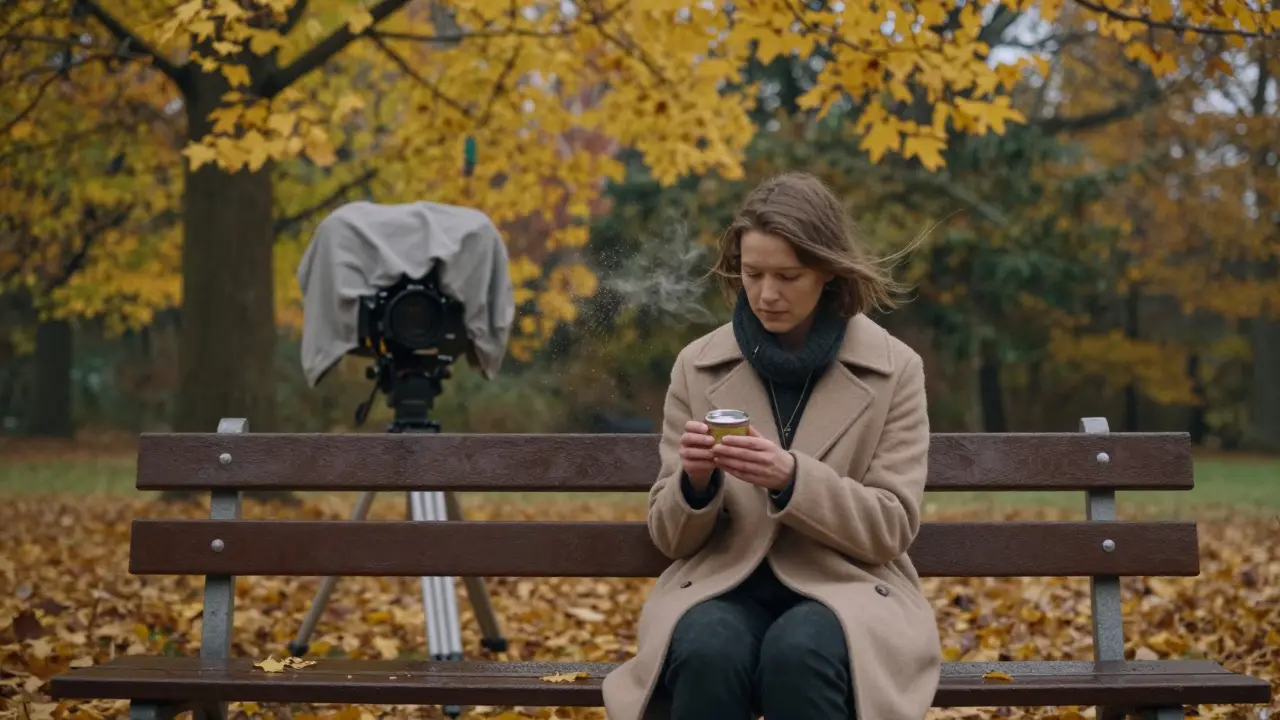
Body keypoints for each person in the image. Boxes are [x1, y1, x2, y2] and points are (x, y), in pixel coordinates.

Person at [601, 172, 942, 720]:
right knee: (707, 649)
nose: (765, 294)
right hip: (722, 584)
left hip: (848, 589)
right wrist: (694, 484)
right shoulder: (697, 365)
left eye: (788, 275)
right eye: (752, 273)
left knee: (799, 654)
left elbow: (891, 526)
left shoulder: (894, 369)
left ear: (827, 271)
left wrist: (792, 479)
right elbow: (669, 538)